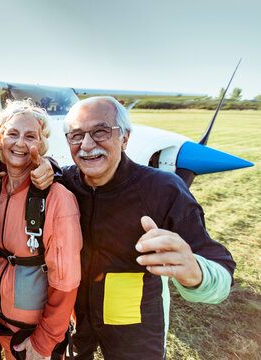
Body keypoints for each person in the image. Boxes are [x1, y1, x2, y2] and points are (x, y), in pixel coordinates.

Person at [61, 96, 236, 359]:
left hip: (135, 323)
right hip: (75, 316)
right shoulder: (62, 182)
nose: (86, 145)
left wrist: (196, 273)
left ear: (125, 137)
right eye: (76, 135)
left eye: (100, 131)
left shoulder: (163, 189)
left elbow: (221, 267)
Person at [0, 100, 82, 360]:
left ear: (41, 146)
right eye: (12, 134)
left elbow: (66, 283)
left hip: (35, 338)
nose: (20, 143)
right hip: (2, 328)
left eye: (30, 136)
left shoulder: (57, 199)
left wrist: (44, 342)